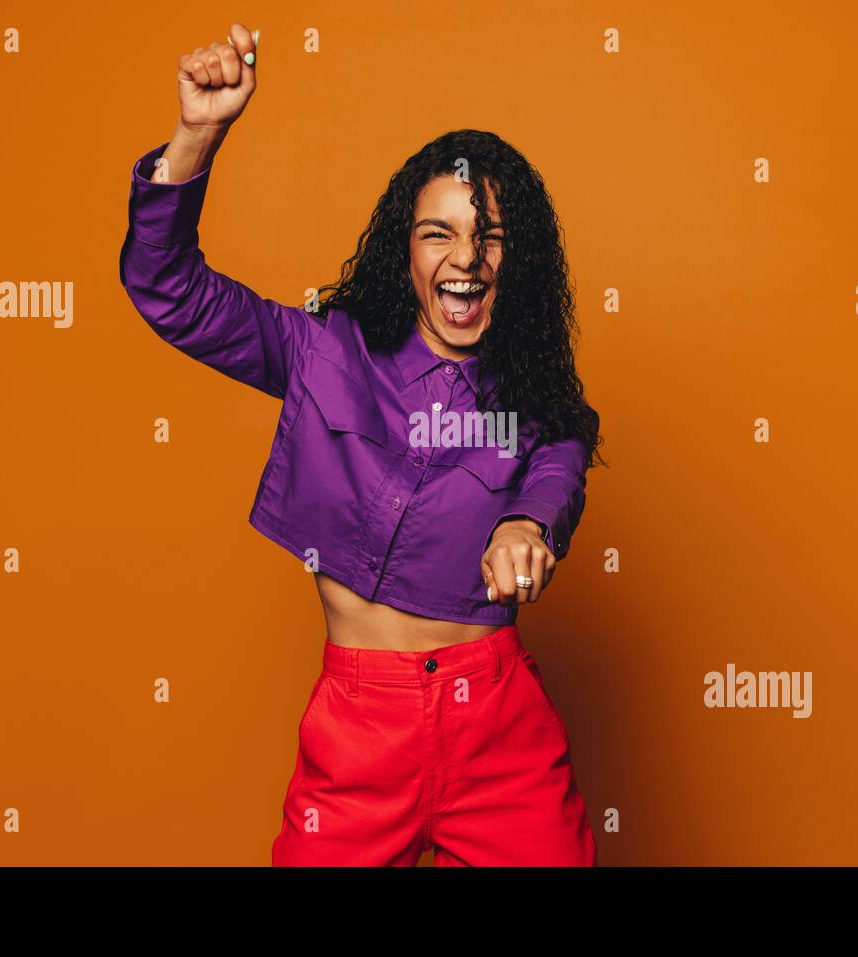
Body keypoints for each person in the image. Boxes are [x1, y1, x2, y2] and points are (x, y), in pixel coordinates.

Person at [119, 22, 604, 866]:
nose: (467, 256)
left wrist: (526, 525)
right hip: (357, 733)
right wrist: (197, 134)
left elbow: (559, 466)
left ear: (514, 261)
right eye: (439, 232)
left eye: (490, 235)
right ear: (403, 249)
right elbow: (170, 291)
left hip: (499, 729)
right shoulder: (323, 351)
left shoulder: (535, 404)